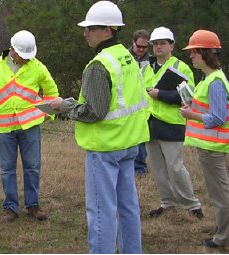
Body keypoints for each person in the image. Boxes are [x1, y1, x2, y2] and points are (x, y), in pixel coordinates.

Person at [48, 1, 148, 253]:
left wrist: (64, 106)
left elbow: (94, 111)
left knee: (101, 211)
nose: (85, 33)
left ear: (107, 31)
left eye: (90, 28)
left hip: (104, 148)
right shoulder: (127, 57)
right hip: (129, 145)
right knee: (128, 207)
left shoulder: (99, 65)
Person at [0, 30, 59, 223]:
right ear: (12, 50)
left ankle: (33, 205)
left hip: (30, 126)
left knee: (33, 167)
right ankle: (10, 207)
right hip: (5, 128)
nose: (27, 59)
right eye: (23, 56)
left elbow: (52, 90)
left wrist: (48, 113)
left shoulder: (37, 67)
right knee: (7, 168)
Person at [143, 27, 203, 219]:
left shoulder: (181, 67)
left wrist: (160, 94)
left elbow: (188, 97)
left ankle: (191, 205)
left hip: (171, 123)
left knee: (175, 167)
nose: (158, 47)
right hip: (150, 123)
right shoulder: (147, 67)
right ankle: (167, 203)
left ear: (172, 46)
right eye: (155, 44)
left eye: (162, 43)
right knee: (158, 168)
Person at [180, 30, 229, 248]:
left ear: (206, 52)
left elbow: (218, 117)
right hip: (208, 147)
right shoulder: (208, 79)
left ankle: (223, 238)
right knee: (218, 194)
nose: (191, 56)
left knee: (221, 196)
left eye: (194, 52)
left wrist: (192, 115)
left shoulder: (215, 81)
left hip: (212, 148)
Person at [129, 29, 152, 175]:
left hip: (145, 107)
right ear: (133, 43)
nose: (141, 50)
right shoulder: (125, 58)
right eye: (139, 46)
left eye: (145, 47)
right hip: (128, 104)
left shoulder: (152, 61)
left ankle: (140, 169)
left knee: (142, 139)